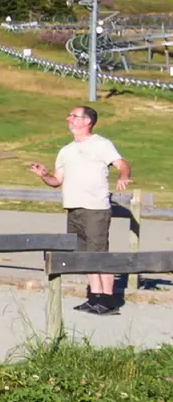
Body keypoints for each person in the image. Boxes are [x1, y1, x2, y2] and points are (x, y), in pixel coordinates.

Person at [29, 105, 132, 315]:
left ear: (87, 121)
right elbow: (57, 181)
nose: (68, 119)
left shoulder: (101, 144)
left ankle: (109, 300)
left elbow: (122, 164)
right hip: (73, 208)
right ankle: (94, 297)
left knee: (99, 253)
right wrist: (43, 174)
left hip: (95, 208)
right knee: (83, 254)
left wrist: (123, 176)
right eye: (69, 115)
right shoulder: (66, 151)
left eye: (74, 116)